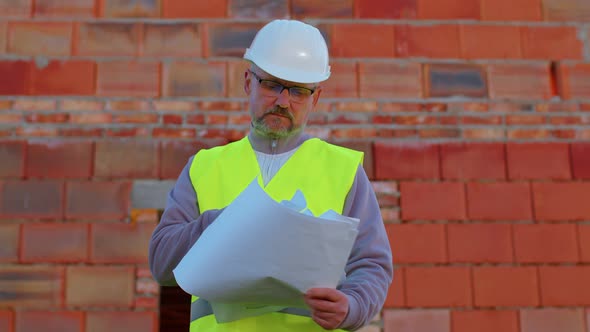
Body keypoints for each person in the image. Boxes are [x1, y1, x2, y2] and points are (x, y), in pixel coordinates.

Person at [149, 19, 393, 331]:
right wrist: (221, 224)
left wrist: (353, 306)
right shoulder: (204, 167)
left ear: (315, 98)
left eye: (298, 91)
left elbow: (372, 265)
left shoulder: (343, 170)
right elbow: (161, 264)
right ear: (249, 82)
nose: (283, 101)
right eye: (272, 85)